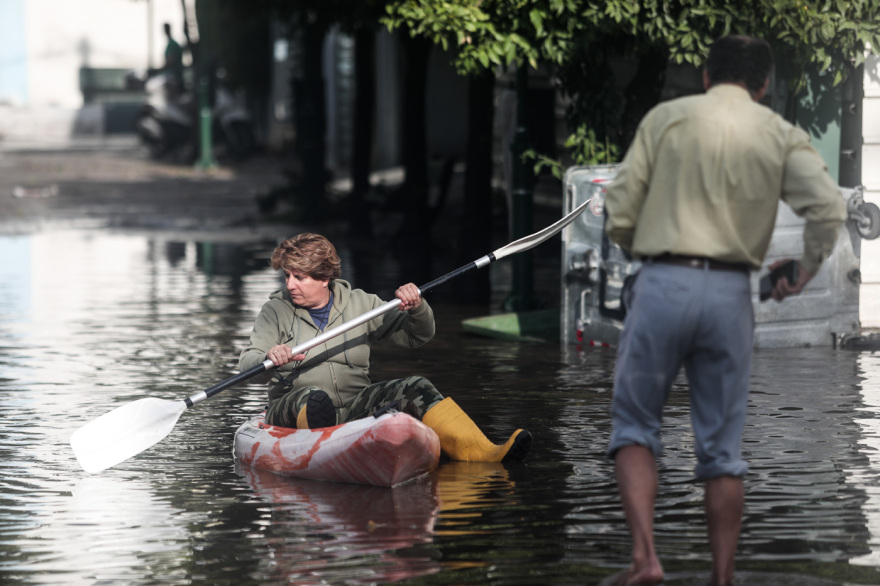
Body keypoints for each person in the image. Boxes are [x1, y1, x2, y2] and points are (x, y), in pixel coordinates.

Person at [602, 35, 846, 585]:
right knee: (722, 447)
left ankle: (645, 559)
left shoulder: (666, 118)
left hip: (663, 280)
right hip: (733, 292)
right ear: (763, 86)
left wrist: (645, 250)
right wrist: (802, 272)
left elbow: (618, 213)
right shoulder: (780, 134)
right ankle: (723, 577)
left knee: (636, 426)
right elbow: (829, 209)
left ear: (706, 76)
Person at [239, 233, 532, 462]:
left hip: (352, 408)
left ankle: (481, 452)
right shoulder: (275, 310)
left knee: (416, 385)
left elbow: (419, 336)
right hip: (292, 408)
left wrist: (416, 307)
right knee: (314, 399)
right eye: (287, 276)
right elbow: (248, 364)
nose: (290, 284)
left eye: (298, 277)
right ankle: (320, 456)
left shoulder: (361, 305)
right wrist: (269, 357)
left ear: (325, 277)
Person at [161, 23, 184, 94]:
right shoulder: (172, 44)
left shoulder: (172, 44)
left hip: (174, 77)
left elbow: (170, 61)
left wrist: (159, 70)